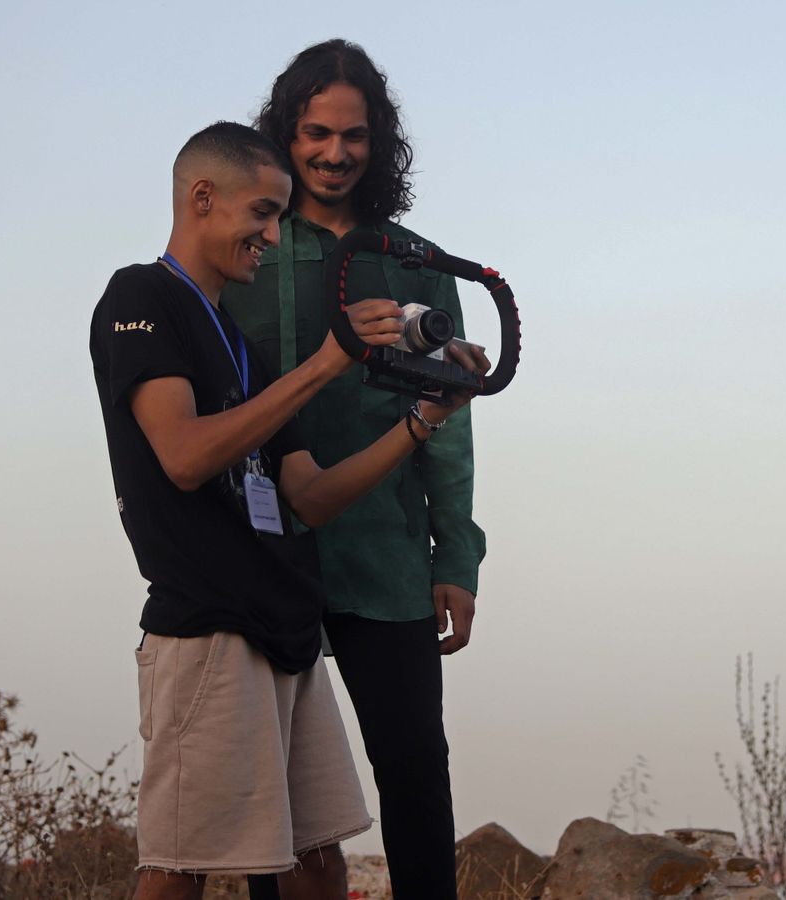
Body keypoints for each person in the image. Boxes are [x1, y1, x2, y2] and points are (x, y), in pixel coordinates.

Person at [89, 121, 474, 900]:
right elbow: (187, 456)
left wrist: (426, 416)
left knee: (317, 859)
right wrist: (329, 362)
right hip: (205, 624)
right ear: (203, 198)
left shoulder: (241, 344)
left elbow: (309, 494)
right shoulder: (140, 296)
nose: (273, 235)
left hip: (284, 625)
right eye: (263, 214)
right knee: (177, 866)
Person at [226, 41, 485, 900]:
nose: (335, 153)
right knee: (275, 794)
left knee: (414, 763)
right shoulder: (244, 253)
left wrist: (455, 560)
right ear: (285, 135)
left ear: (380, 142)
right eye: (315, 133)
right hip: (261, 552)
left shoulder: (417, 262)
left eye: (355, 135)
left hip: (383, 553)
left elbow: (451, 428)